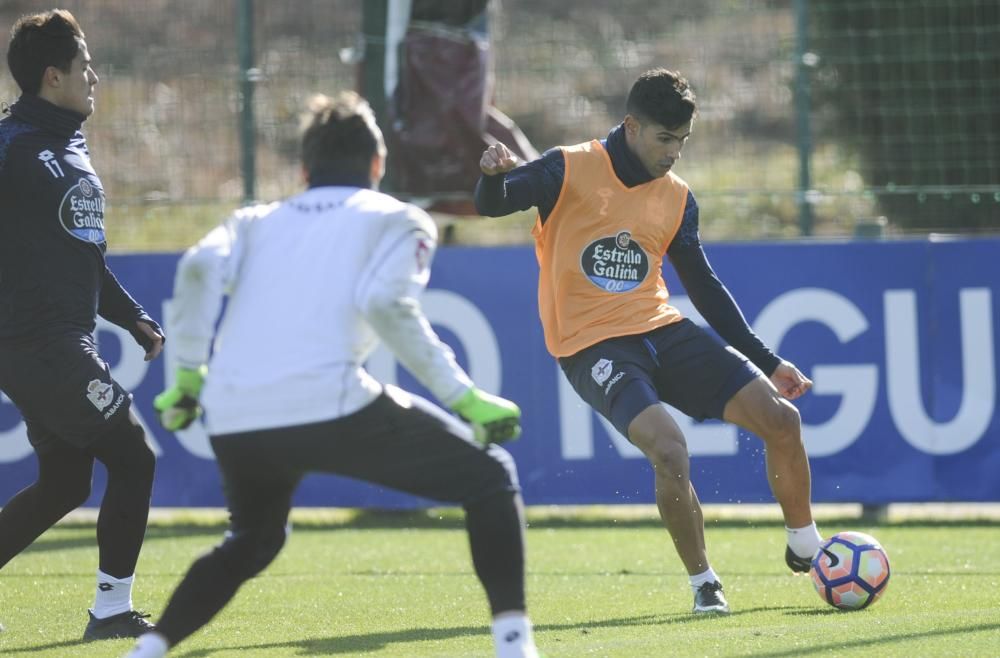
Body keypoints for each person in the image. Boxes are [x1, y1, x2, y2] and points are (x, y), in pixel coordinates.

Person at [125, 91, 539, 658]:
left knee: (253, 538)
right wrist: (463, 398)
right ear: (378, 164)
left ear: (303, 169)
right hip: (331, 403)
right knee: (490, 477)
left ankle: (147, 651)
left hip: (233, 413)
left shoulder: (253, 220)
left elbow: (197, 267)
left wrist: (190, 376)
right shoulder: (400, 218)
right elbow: (387, 307)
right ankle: (516, 648)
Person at [474, 68, 822, 614]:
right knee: (668, 447)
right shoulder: (569, 167)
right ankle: (704, 582)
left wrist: (769, 360)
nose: (675, 152)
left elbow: (703, 287)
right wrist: (493, 176)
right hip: (591, 345)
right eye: (666, 139)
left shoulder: (677, 197)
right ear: (632, 127)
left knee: (783, 420)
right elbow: (492, 203)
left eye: (683, 141)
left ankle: (807, 545)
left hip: (660, 327)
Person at [0, 9, 163, 640]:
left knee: (67, 482)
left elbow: (83, 257)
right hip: (37, 344)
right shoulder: (11, 145)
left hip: (62, 342)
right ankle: (112, 610)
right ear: (52, 76)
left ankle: (111, 609)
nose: (94, 75)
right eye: (84, 65)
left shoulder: (67, 140)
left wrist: (135, 320)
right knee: (135, 458)